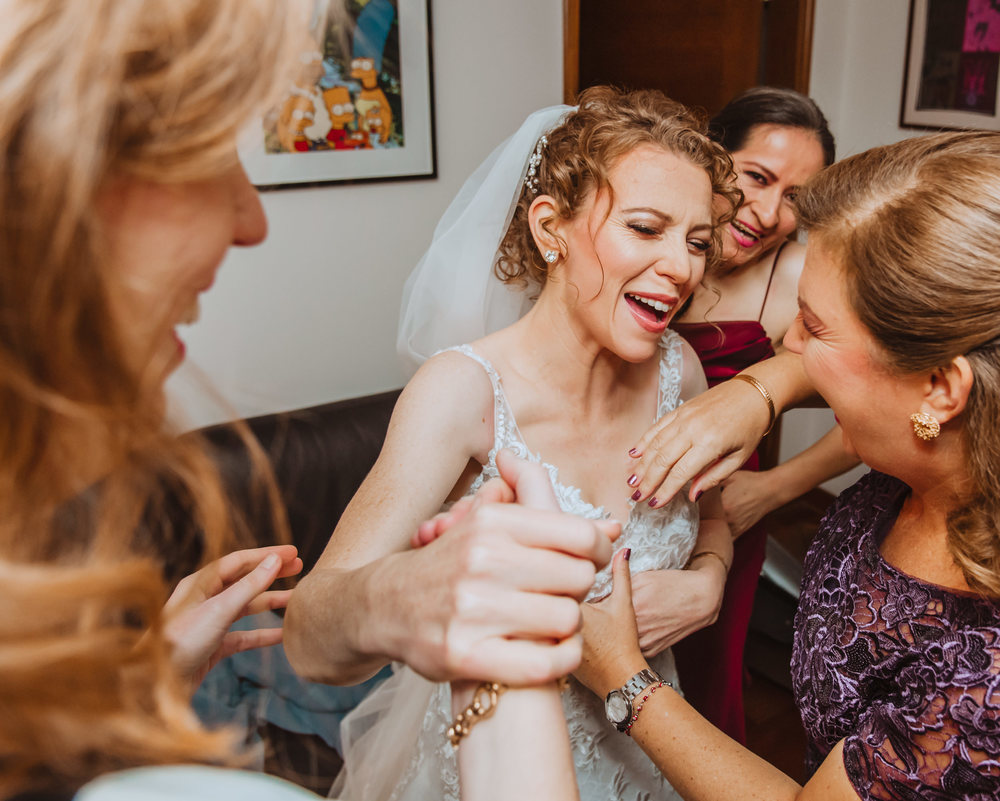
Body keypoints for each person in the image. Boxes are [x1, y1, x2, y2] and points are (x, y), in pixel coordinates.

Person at [0, 2, 610, 799]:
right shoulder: (462, 384)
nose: (252, 219)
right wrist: (511, 659)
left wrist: (144, 677)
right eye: (212, 155)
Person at [579, 131, 1000, 800]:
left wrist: (623, 676)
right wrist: (760, 391)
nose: (788, 342)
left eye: (814, 323)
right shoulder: (978, 448)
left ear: (940, 388)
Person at [285, 87, 740, 801]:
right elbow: (309, 633)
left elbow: (711, 511)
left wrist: (707, 580)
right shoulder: (462, 392)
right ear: (550, 227)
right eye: (646, 228)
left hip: (648, 740)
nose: (682, 268)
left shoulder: (680, 369)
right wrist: (406, 592)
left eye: (697, 241)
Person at [669, 86, 859, 742]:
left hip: (719, 519)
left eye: (796, 199)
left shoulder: (805, 274)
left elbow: (882, 411)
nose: (770, 211)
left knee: (693, 700)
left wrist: (772, 489)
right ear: (710, 155)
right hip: (600, 506)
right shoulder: (649, 241)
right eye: (756, 177)